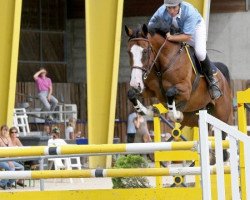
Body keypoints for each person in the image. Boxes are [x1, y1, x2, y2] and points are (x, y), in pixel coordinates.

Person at [148, 0, 221, 99]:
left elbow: (187, 37)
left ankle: (212, 81)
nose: (172, 11)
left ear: (180, 5)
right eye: (169, 8)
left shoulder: (189, 11)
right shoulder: (161, 11)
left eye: (174, 8)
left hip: (195, 30)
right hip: (177, 31)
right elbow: (150, 26)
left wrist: (170, 37)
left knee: (200, 52)